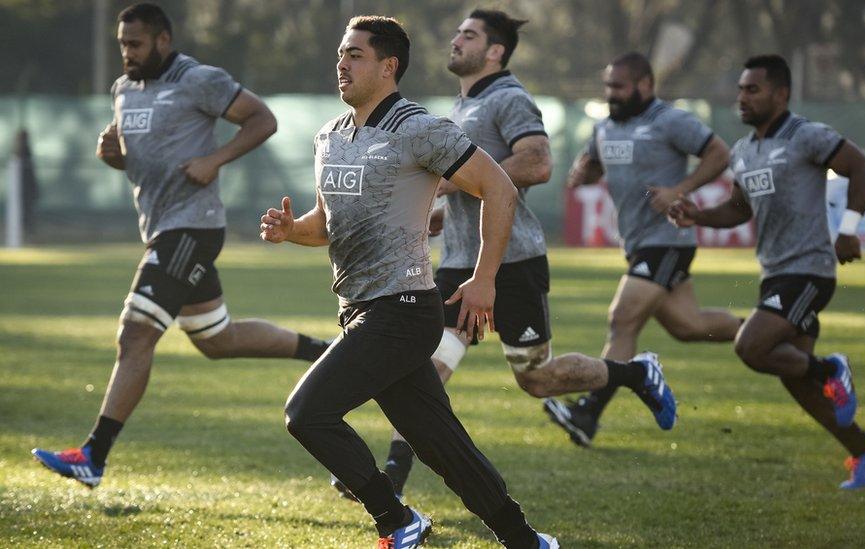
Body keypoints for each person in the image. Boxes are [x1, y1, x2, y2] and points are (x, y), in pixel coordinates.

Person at [331, 12, 682, 501]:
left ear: (495, 51)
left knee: (537, 378)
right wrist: (438, 208)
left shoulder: (508, 97)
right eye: (457, 32)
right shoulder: (462, 103)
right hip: (458, 262)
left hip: (512, 262)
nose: (455, 40)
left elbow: (537, 162)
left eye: (468, 35)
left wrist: (451, 183)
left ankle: (636, 372)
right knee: (425, 365)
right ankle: (393, 474)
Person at [259, 15, 557, 548]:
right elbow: (324, 225)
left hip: (403, 309)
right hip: (359, 309)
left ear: (388, 66)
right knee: (444, 447)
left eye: (355, 55)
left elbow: (501, 188)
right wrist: (291, 231)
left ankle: (395, 519)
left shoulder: (419, 128)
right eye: (341, 54)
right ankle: (526, 539)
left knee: (307, 413)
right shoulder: (329, 137)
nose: (342, 64)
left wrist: (484, 278)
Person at [31, 2, 330, 489]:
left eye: (136, 44)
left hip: (191, 228)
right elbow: (136, 161)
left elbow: (263, 119)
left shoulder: (199, 79)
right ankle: (327, 351)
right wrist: (113, 158)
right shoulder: (124, 90)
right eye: (122, 44)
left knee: (135, 335)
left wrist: (215, 159)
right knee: (217, 340)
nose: (126, 53)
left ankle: (93, 455)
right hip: (162, 227)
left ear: (163, 41)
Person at [668, 54, 865, 489]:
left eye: (753, 89)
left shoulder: (806, 136)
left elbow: (861, 168)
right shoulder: (744, 150)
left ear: (781, 93)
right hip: (775, 273)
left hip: (809, 269)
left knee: (751, 346)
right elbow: (738, 208)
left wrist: (848, 230)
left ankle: (831, 369)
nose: (742, 97)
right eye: (740, 89)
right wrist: (698, 216)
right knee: (794, 379)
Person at [544, 52, 741, 448]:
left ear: (645, 85)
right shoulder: (603, 128)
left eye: (619, 86)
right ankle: (761, 333)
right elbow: (594, 165)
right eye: (607, 87)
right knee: (689, 326)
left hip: (668, 241)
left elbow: (720, 153)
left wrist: (680, 190)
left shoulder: (670, 120)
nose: (611, 94)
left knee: (623, 319)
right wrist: (584, 174)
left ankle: (588, 414)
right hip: (637, 245)